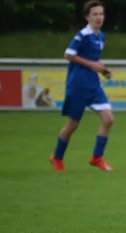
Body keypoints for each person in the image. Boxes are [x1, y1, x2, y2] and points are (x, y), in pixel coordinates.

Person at [49, 0, 114, 172]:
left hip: (93, 85)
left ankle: (97, 157)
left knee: (108, 119)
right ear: (87, 17)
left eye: (101, 14)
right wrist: (92, 66)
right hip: (78, 85)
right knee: (73, 124)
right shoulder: (82, 35)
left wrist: (103, 69)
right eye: (95, 14)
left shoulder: (101, 36)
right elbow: (68, 54)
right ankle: (56, 157)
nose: (99, 17)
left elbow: (94, 59)